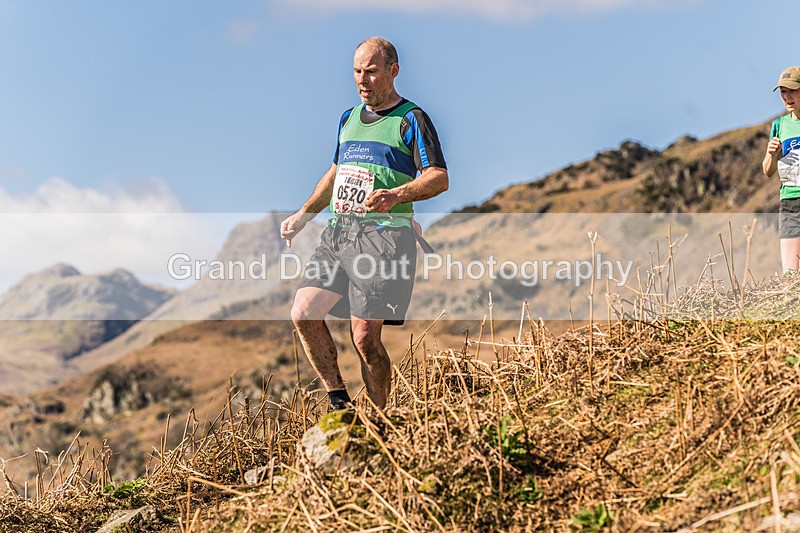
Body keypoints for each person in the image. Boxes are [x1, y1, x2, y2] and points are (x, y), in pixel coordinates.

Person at [280, 37, 448, 410]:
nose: (363, 80)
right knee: (304, 313)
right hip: (340, 233)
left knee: (364, 338)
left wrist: (397, 195)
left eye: (371, 72)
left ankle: (381, 419)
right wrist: (303, 216)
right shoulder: (347, 118)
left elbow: (438, 176)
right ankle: (339, 401)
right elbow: (336, 173)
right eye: (357, 71)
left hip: (384, 239)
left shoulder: (411, 118)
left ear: (393, 71)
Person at [764, 66, 800, 272]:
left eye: (792, 90)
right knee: (791, 274)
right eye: (782, 92)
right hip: (790, 202)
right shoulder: (779, 125)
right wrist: (771, 154)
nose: (787, 97)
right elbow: (767, 170)